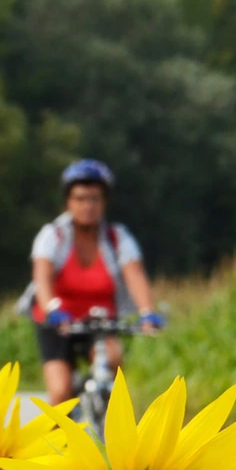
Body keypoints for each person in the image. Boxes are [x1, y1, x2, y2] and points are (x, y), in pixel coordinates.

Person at [30, 159, 162, 404]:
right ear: (68, 202)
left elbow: (135, 275)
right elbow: (42, 277)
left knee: (114, 365)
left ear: (105, 202)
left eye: (95, 198)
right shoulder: (53, 236)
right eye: (80, 199)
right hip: (58, 322)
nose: (87, 206)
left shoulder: (116, 238)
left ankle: (109, 429)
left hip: (99, 321)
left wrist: (147, 312)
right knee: (60, 392)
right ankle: (53, 440)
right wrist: (51, 309)